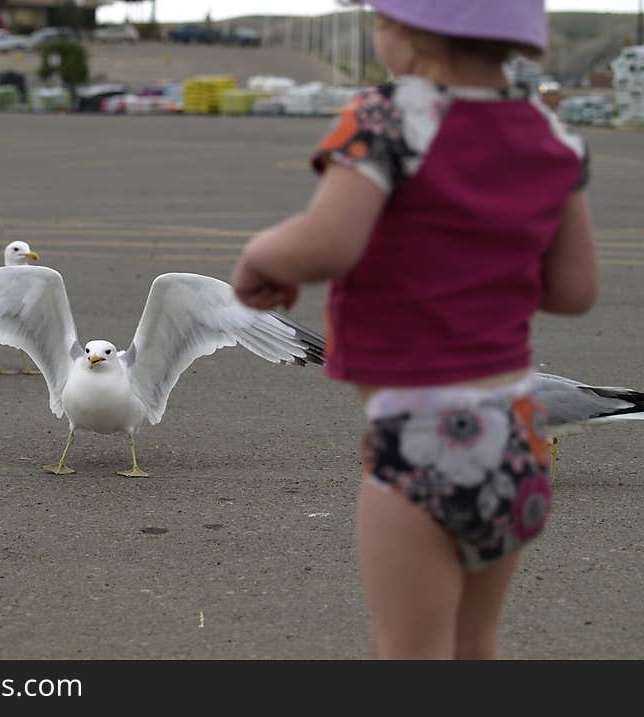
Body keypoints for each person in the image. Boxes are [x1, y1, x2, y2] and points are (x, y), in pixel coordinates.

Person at [231, 0, 597, 660]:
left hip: (423, 437)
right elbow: (575, 291)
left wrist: (261, 256)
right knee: (474, 640)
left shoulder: (388, 115)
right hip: (520, 438)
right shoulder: (553, 136)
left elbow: (328, 243)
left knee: (408, 653)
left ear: (411, 35)